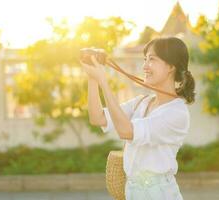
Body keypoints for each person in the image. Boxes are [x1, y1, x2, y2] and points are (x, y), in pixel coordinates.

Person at [80, 37, 196, 200]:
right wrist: (92, 78)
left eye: (152, 59)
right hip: (133, 193)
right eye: (145, 59)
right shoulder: (143, 102)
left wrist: (103, 82)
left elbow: (126, 131)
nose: (144, 66)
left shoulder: (176, 112)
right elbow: (97, 118)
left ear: (171, 66)